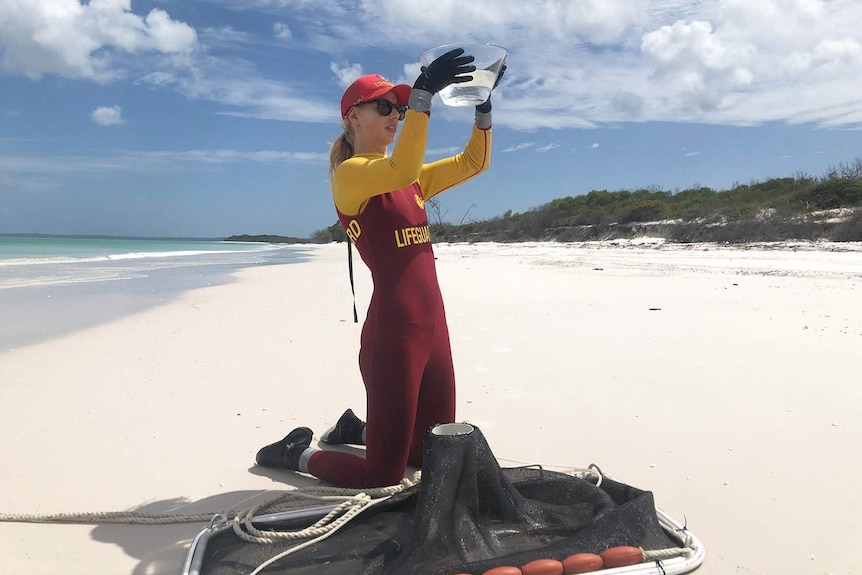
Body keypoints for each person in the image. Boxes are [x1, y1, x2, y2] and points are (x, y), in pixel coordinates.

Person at [256, 49, 502, 488]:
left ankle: (356, 431)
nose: (396, 116)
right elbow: (401, 164)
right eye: (386, 107)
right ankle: (297, 452)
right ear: (353, 117)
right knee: (383, 475)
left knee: (434, 455)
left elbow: (475, 163)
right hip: (393, 333)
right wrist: (424, 95)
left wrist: (482, 106)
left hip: (434, 328)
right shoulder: (351, 175)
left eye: (401, 108)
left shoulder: (410, 178)